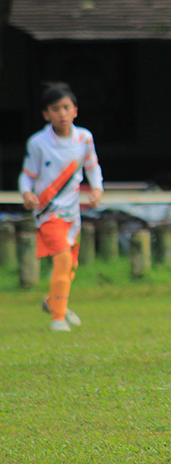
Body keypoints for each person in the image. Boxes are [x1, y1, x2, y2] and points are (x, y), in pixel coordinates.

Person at [19, 82, 104, 331]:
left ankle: (52, 301)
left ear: (75, 110)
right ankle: (58, 318)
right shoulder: (38, 142)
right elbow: (27, 174)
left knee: (72, 266)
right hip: (48, 212)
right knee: (63, 260)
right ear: (46, 115)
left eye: (66, 108)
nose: (62, 114)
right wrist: (26, 192)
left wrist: (97, 188)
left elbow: (92, 167)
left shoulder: (84, 138)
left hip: (72, 212)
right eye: (56, 109)